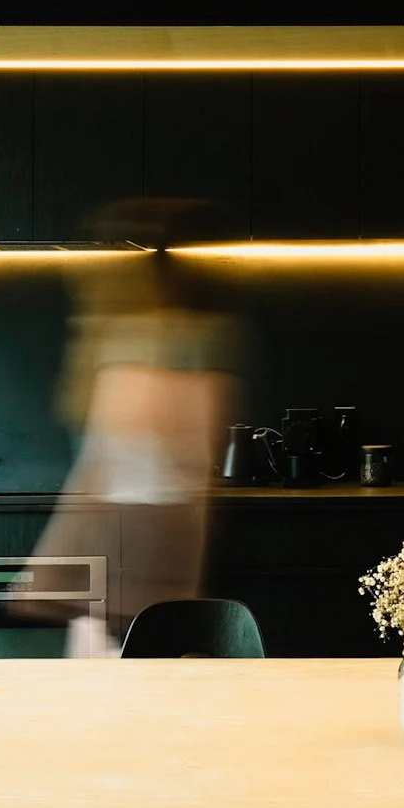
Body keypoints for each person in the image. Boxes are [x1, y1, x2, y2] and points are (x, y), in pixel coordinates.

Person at [34, 200, 246, 655]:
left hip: (131, 550)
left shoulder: (135, 356)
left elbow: (101, 473)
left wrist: (50, 571)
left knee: (118, 685)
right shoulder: (185, 345)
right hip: (143, 552)